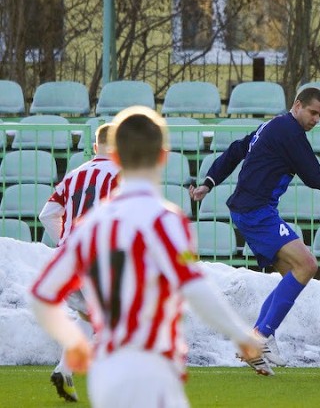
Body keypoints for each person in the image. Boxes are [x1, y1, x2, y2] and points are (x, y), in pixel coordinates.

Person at [31, 106, 266, 408]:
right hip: (150, 367)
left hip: (106, 372)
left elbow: (41, 296)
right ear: (163, 156)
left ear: (115, 158)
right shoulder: (165, 220)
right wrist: (240, 334)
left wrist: (74, 341)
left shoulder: (89, 227)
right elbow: (194, 287)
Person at [190, 87, 320, 369]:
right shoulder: (289, 131)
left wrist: (209, 182)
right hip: (255, 212)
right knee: (307, 265)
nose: (316, 120)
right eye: (313, 113)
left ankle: (263, 336)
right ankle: (260, 337)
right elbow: (312, 176)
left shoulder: (272, 125)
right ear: (297, 105)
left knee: (293, 273)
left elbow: (237, 149)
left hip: (252, 210)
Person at [38, 123, 120, 402]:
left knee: (88, 315)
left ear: (96, 148)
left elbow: (46, 215)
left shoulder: (74, 175)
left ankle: (64, 371)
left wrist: (65, 241)